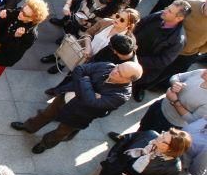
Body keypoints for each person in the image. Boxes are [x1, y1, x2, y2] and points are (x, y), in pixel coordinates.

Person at [11, 61, 142, 153]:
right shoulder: (108, 66)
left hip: (80, 114)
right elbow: (80, 69)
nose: (114, 71)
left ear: (128, 80)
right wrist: (88, 91)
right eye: (118, 67)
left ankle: (44, 144)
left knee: (61, 132)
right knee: (46, 114)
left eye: (120, 73)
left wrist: (85, 80)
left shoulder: (121, 95)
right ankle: (29, 126)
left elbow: (92, 103)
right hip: (66, 97)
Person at [0, 0, 50, 90]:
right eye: (22, 9)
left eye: (25, 14)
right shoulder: (18, 12)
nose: (20, 13)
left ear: (32, 19)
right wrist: (1, 15)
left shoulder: (30, 35)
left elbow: (15, 51)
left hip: (5, 56)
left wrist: (16, 37)